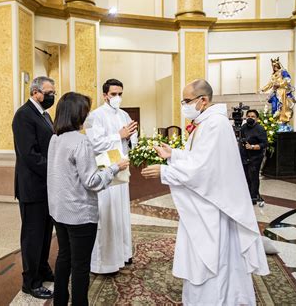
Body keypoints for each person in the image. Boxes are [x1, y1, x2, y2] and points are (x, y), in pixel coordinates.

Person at [141, 79, 269, 305]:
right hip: (208, 201)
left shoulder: (215, 125)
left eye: (186, 101)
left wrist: (164, 172)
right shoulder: (205, 123)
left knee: (212, 260)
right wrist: (174, 155)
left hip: (214, 205)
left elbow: (204, 170)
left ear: (203, 100)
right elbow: (199, 159)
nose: (184, 105)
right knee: (204, 256)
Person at [48, 92, 130, 306]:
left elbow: (68, 171)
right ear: (77, 114)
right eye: (85, 111)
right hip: (80, 213)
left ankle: (60, 301)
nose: (87, 116)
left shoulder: (55, 137)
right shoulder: (81, 141)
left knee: (64, 257)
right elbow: (92, 181)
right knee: (81, 266)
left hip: (59, 210)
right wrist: (115, 167)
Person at [84, 78, 138, 274]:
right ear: (104, 95)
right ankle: (104, 262)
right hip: (105, 167)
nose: (117, 97)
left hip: (122, 165)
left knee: (121, 211)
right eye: (113, 94)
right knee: (107, 212)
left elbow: (130, 141)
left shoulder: (124, 114)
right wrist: (119, 135)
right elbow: (94, 143)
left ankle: (123, 254)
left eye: (120, 94)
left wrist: (132, 136)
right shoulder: (93, 116)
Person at [12, 76, 56, 299]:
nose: (52, 96)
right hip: (32, 186)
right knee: (33, 235)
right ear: (35, 92)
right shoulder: (23, 115)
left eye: (53, 92)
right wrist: (54, 170)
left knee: (46, 232)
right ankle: (30, 281)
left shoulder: (44, 114)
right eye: (49, 92)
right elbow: (30, 155)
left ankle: (43, 269)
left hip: (45, 185)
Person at [240, 109, 268, 207]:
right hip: (244, 155)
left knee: (253, 177)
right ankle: (247, 195)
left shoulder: (260, 129)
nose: (250, 118)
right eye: (248, 116)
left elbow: (264, 144)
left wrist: (252, 147)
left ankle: (253, 197)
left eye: (253, 117)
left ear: (257, 119)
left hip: (255, 157)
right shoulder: (243, 127)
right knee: (246, 176)